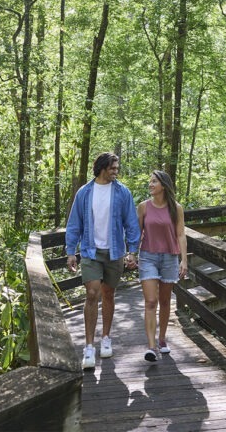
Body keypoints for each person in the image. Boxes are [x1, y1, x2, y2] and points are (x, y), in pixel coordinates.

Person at [66, 152, 141, 370]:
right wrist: (71, 251)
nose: (116, 172)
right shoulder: (85, 192)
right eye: (113, 168)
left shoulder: (122, 192)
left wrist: (132, 251)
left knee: (109, 293)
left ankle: (105, 338)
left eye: (117, 168)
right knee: (92, 294)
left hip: (115, 252)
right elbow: (74, 223)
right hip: (90, 251)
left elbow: (131, 224)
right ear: (101, 168)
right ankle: (88, 347)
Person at [137, 170, 188, 362]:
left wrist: (184, 260)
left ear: (163, 186)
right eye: (149, 181)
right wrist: (131, 254)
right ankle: (151, 347)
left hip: (169, 257)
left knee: (165, 301)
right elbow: (136, 233)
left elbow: (181, 234)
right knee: (151, 301)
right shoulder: (143, 207)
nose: (150, 185)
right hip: (148, 256)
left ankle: (162, 339)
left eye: (154, 182)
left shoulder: (176, 208)